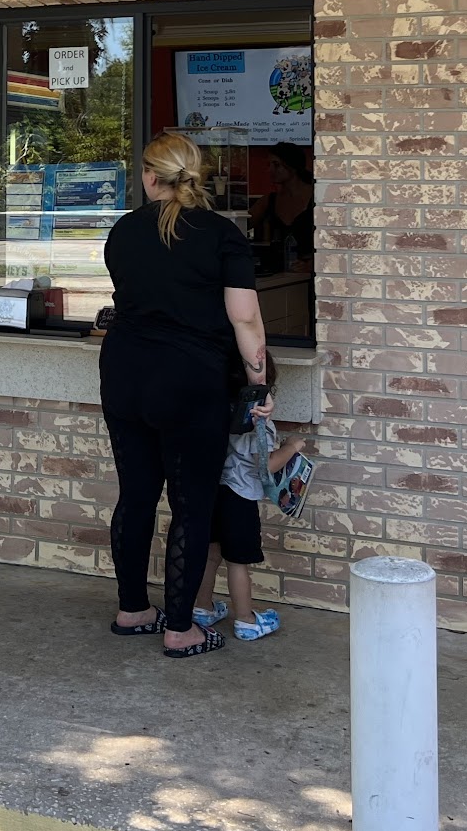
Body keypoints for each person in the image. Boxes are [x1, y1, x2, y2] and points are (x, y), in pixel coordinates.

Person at [101, 133, 268, 659]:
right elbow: (246, 321)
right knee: (191, 506)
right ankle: (180, 628)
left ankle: (133, 611)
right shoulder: (221, 234)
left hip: (125, 374)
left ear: (150, 176)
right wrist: (258, 384)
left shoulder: (122, 231)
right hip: (190, 381)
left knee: (136, 496)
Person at [192, 356, 310, 639]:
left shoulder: (215, 409)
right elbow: (266, 465)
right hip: (240, 497)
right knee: (237, 562)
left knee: (210, 554)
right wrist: (292, 447)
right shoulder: (258, 421)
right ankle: (245, 619)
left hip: (213, 490)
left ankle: (202, 608)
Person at [249, 142, 315, 272]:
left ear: (292, 167)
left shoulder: (317, 197)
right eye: (269, 165)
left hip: (311, 273)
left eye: (276, 165)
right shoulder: (269, 200)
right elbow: (243, 223)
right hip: (280, 271)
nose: (270, 170)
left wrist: (313, 264)